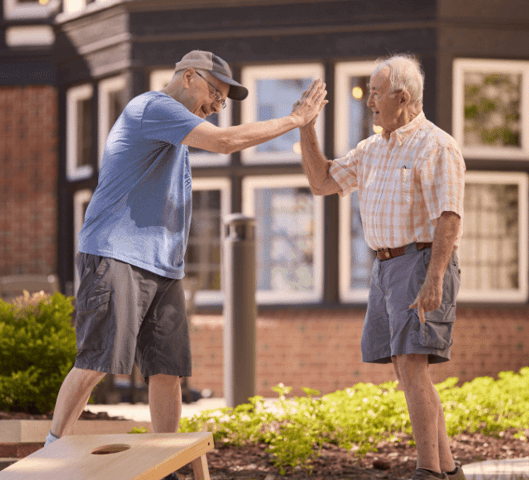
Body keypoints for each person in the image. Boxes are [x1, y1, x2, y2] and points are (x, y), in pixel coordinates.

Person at [44, 50, 327, 477]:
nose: (217, 105)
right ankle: (49, 453)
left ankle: (166, 463)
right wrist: (295, 120)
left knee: (168, 370)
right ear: (188, 77)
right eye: (215, 93)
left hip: (163, 267)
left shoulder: (175, 132)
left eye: (223, 101)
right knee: (97, 362)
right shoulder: (153, 107)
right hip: (116, 252)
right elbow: (225, 142)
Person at [296, 54, 466, 480]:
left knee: (412, 367)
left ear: (402, 97)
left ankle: (428, 470)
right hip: (385, 268)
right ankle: (447, 469)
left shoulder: (437, 145)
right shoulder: (371, 149)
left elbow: (450, 216)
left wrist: (435, 279)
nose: (369, 100)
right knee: (407, 371)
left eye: (375, 92)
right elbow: (321, 182)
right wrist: (307, 128)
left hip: (422, 261)